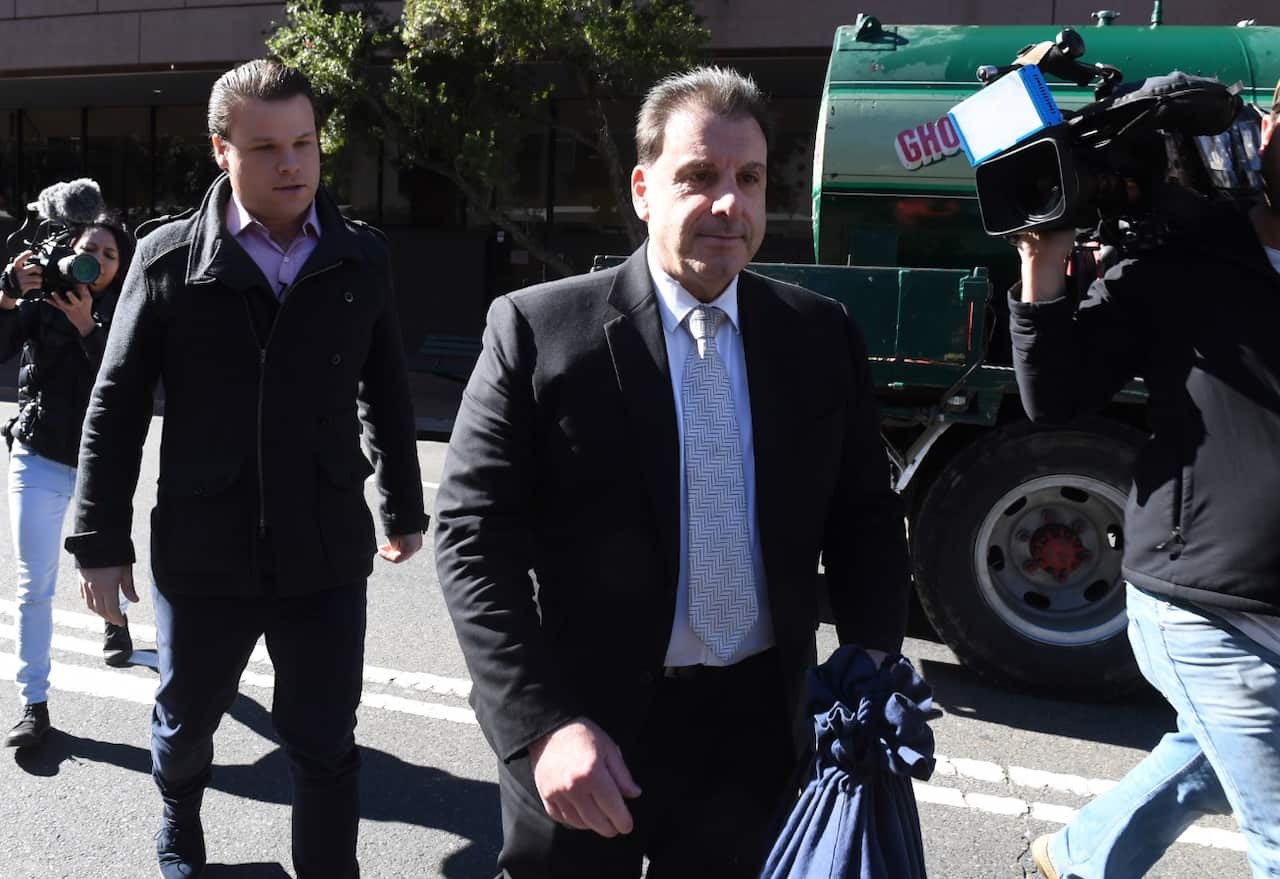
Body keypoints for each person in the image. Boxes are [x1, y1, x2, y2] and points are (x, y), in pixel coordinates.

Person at [435, 66, 911, 878]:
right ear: (642, 188)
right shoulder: (540, 331)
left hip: (758, 738)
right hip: (588, 733)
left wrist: (869, 662)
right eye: (699, 176)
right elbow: (472, 539)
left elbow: (865, 516)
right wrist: (541, 725)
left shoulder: (820, 335)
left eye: (749, 179)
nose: (729, 204)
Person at [63, 59, 427, 879]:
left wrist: (403, 501)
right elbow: (115, 408)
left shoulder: (359, 256)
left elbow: (388, 387)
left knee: (326, 739)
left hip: (324, 549)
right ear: (221, 151)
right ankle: (179, 808)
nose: (292, 164)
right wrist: (97, 542)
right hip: (203, 548)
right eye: (266, 148)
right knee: (187, 722)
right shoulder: (164, 260)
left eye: (304, 142)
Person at [1016, 82, 1280, 879]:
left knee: (1210, 757)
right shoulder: (1184, 254)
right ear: (1267, 131)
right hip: (1204, 600)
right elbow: (1056, 394)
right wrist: (1045, 263)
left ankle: (1077, 856)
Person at [0, 210, 135, 749]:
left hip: (98, 465)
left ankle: (115, 620)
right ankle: (34, 704)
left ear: (119, 269)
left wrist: (88, 329)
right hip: (36, 454)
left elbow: (128, 388)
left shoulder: (129, 311)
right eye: (89, 249)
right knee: (34, 585)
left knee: (103, 560)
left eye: (109, 255)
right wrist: (7, 295)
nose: (96, 261)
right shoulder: (42, 298)